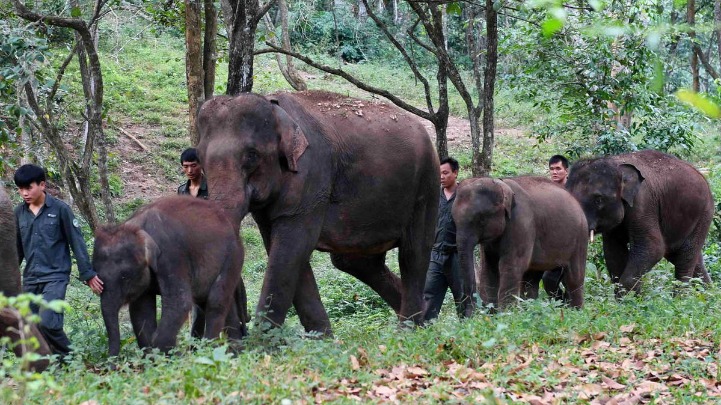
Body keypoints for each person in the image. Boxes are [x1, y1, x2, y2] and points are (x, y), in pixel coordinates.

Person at [13, 164, 103, 357]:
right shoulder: (18, 213)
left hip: (55, 277)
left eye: (29, 188)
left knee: (48, 322)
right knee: (31, 326)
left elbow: (76, 243)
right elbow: (17, 250)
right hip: (30, 278)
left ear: (42, 185)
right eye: (20, 189)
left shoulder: (60, 210)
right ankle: (51, 363)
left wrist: (88, 274)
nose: (24, 193)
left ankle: (71, 359)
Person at [423, 157, 467, 321]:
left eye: (445, 173)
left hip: (458, 256)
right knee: (429, 295)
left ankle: (468, 331)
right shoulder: (434, 196)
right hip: (435, 255)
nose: (441, 176)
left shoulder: (464, 196)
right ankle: (424, 332)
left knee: (463, 297)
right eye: (439, 173)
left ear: (455, 173)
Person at [543, 154, 571, 301]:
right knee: (549, 279)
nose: (554, 172)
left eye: (558, 169)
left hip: (571, 243)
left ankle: (569, 307)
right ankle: (561, 304)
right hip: (551, 244)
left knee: (569, 279)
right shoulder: (547, 191)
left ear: (566, 171)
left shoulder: (574, 190)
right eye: (552, 169)